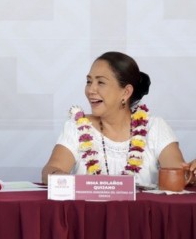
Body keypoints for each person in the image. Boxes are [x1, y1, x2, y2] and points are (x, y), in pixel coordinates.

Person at [41, 51, 195, 187]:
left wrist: (192, 173)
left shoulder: (155, 127)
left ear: (126, 92)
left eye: (101, 82)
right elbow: (51, 169)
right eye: (89, 81)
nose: (90, 90)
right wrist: (61, 177)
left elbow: (179, 175)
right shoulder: (76, 127)